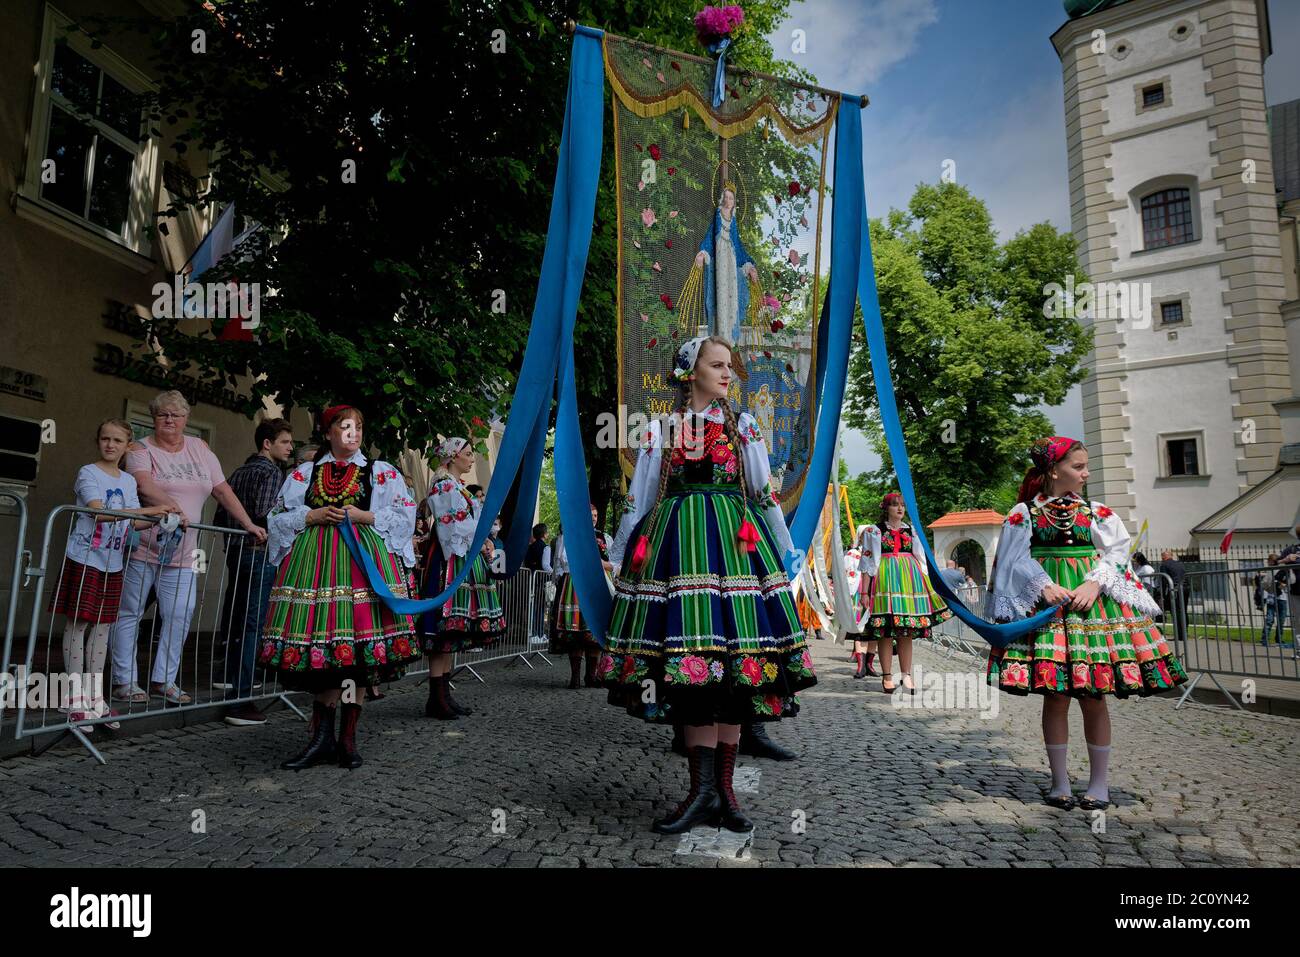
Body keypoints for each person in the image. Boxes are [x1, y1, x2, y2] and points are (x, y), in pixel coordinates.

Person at [600, 335, 815, 834]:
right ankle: (702, 793)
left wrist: (784, 551)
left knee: (739, 673)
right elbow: (641, 496)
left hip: (736, 553)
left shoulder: (743, 427)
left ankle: (725, 793)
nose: (726, 374)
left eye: (729, 367)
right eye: (716, 365)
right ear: (689, 371)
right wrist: (618, 555)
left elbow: (763, 494)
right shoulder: (663, 430)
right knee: (692, 670)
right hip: (676, 553)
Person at [985, 436, 1188, 811]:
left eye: (1085, 466)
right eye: (1078, 467)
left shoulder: (1098, 512)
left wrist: (1095, 582)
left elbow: (1117, 551)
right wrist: (1042, 584)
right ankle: (1059, 781)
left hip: (1092, 607)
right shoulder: (1023, 513)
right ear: (1052, 471)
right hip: (1050, 610)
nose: (1085, 473)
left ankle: (1099, 783)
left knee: (1094, 694)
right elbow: (1013, 559)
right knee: (1056, 694)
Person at [258, 405, 421, 769]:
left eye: (359, 427)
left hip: (361, 566)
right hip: (315, 568)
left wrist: (366, 515)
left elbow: (405, 515)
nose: (353, 433)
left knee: (358, 651)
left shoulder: (379, 473)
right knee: (326, 649)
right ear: (328, 431)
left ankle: (347, 738)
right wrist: (310, 516)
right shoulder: (304, 473)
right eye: (345, 426)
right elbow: (278, 516)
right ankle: (322, 737)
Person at [111, 390, 265, 706]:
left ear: (185, 419)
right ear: (153, 418)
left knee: (181, 613)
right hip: (143, 545)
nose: (169, 420)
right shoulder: (141, 449)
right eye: (162, 414)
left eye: (176, 415)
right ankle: (124, 681)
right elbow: (143, 484)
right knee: (130, 612)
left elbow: (222, 490)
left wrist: (248, 523)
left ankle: (163, 679)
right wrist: (172, 506)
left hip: (184, 552)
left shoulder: (200, 448)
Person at [50, 419, 176, 727]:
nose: (110, 444)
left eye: (117, 440)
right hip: (84, 558)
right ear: (98, 441)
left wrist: (161, 519)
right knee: (78, 626)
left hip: (113, 562)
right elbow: (98, 511)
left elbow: (130, 522)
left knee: (103, 630)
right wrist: (150, 510)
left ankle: (95, 696)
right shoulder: (88, 472)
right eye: (105, 438)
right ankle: (73, 696)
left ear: (127, 445)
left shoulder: (129, 480)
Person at [213, 417, 294, 726]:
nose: (289, 448)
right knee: (253, 624)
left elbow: (222, 511)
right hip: (258, 552)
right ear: (267, 444)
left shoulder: (238, 471)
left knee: (237, 617)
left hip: (236, 550)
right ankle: (242, 697)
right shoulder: (272, 472)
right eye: (285, 442)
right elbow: (264, 512)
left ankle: (229, 677)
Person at [418, 437, 506, 719]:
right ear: (453, 457)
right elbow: (451, 524)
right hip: (447, 559)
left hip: (460, 557)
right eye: (467, 454)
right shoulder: (443, 484)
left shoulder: (459, 487)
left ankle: (443, 694)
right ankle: (436, 697)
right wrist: (479, 541)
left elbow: (471, 523)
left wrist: (485, 540)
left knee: (451, 631)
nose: (471, 458)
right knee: (442, 627)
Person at [860, 493, 953, 693]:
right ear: (886, 508)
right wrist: (864, 592)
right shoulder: (873, 531)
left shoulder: (912, 531)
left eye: (902, 505)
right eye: (895, 505)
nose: (900, 509)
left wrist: (931, 585)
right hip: (885, 581)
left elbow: (922, 559)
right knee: (885, 630)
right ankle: (886, 676)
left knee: (906, 632)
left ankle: (906, 675)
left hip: (909, 583)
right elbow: (867, 563)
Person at [546, 504, 614, 689]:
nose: (593, 518)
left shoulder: (603, 537)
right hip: (574, 583)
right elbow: (562, 560)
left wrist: (608, 567)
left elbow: (612, 560)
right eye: (590, 515)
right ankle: (575, 677)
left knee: (594, 632)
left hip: (598, 583)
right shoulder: (569, 534)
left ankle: (590, 676)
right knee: (574, 633)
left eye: (596, 515)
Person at [847, 524, 880, 679]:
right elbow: (848, 573)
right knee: (860, 629)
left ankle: (869, 664)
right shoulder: (853, 553)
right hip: (860, 592)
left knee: (875, 628)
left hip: (878, 591)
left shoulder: (879, 552)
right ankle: (860, 666)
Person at [1157, 548, 1189, 643]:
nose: (1161, 558)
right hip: (1185, 588)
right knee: (1183, 610)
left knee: (1176, 611)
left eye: (1162, 556)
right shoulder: (1180, 563)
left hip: (1175, 590)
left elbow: (1164, 580)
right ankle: (1184, 633)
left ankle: (1180, 635)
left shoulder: (1164, 565)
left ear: (1164, 557)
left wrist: (1161, 595)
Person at [1258, 553, 1290, 645]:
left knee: (1279, 620)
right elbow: (1264, 584)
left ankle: (1277, 639)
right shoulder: (1269, 571)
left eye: (1270, 561)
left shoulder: (1283, 570)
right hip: (1273, 597)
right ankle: (1265, 639)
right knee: (1271, 619)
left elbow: (1290, 581)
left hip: (1281, 598)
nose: (1269, 563)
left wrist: (1284, 584)